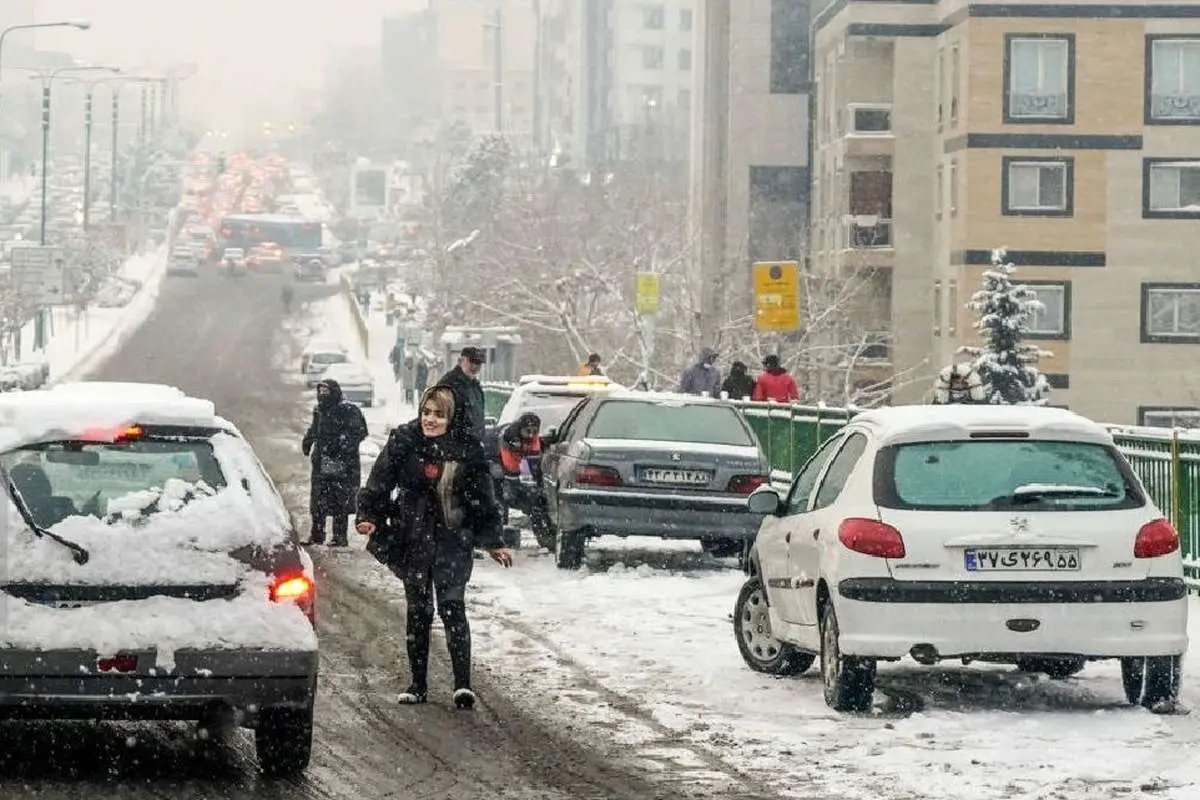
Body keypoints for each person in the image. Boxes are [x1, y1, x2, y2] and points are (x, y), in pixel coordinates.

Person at [355, 385, 513, 709]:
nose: (430, 420)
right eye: (427, 412)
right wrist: (369, 516)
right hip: (412, 537)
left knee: (453, 607)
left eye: (439, 415)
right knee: (419, 610)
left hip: (454, 540)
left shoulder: (467, 448)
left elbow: (483, 499)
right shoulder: (404, 441)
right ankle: (417, 684)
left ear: (451, 417)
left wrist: (493, 540)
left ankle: (462, 685)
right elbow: (380, 481)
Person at [301, 379, 369, 546]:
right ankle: (317, 534)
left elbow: (359, 432)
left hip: (343, 464)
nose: (323, 395)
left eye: (326, 391)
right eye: (321, 391)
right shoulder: (319, 410)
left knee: (340, 501)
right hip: (321, 462)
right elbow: (314, 429)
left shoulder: (348, 410)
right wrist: (308, 441)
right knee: (318, 501)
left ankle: (339, 536)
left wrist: (341, 445)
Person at [437, 347, 486, 439]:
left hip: (474, 446)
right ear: (461, 361)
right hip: (456, 446)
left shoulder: (475, 386)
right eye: (472, 361)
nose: (475, 366)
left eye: (479, 363)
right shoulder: (449, 384)